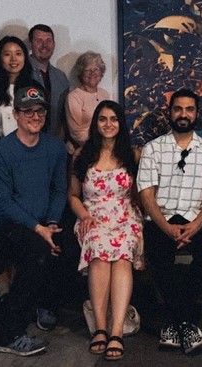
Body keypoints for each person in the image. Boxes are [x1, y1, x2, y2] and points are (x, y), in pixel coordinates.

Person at [137, 88, 202, 355]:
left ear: (197, 114)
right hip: (162, 219)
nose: (183, 114)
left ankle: (174, 322)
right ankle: (187, 322)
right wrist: (167, 227)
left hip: (196, 218)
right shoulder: (153, 149)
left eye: (189, 109)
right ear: (170, 112)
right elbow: (147, 196)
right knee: (159, 254)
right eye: (178, 109)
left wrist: (196, 225)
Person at [0, 85, 68, 356]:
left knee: (71, 243)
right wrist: (38, 228)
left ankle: (45, 303)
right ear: (16, 114)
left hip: (46, 222)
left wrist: (53, 223)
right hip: (8, 227)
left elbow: (59, 189)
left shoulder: (55, 149)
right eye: (27, 111)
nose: (35, 116)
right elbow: (2, 202)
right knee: (37, 250)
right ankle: (8, 333)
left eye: (40, 110)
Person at [69, 100, 143, 361]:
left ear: (120, 123)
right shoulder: (83, 155)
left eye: (114, 119)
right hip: (93, 217)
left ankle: (117, 331)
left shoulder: (132, 155)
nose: (108, 124)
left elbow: (140, 196)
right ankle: (100, 327)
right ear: (96, 123)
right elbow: (74, 196)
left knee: (122, 255)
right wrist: (84, 216)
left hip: (125, 216)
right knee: (100, 251)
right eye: (103, 119)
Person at [0, 36, 36, 150]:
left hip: (29, 152)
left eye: (18, 54)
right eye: (7, 54)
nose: (13, 59)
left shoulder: (34, 88)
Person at [28, 24, 70, 137]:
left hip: (53, 143)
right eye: (39, 41)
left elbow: (64, 116)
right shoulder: (21, 73)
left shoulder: (61, 77)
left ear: (54, 44)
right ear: (30, 44)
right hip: (25, 144)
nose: (44, 45)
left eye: (48, 41)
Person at [66, 51, 112, 148]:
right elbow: (77, 133)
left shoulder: (105, 94)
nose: (92, 73)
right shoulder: (74, 97)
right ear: (81, 73)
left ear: (102, 73)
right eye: (87, 70)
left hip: (106, 147)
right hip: (86, 149)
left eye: (96, 69)